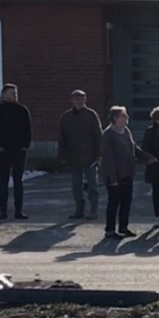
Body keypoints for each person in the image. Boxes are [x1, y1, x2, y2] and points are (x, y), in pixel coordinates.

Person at [99, 105, 151, 239]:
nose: (126, 118)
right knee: (114, 202)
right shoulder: (109, 134)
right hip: (115, 175)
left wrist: (148, 158)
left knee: (126, 202)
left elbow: (133, 147)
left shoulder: (126, 131)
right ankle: (110, 229)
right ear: (115, 118)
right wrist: (113, 178)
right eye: (123, 115)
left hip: (127, 173)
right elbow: (108, 158)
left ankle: (123, 227)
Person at [0, 83, 32, 220]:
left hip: (19, 150)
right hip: (3, 150)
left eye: (16, 93)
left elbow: (28, 129)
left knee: (18, 181)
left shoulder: (22, 110)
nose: (15, 96)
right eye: (12, 93)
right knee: (4, 181)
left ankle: (19, 211)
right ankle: (3, 212)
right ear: (4, 95)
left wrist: (25, 146)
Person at [58, 89, 103, 221]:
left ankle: (93, 209)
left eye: (82, 98)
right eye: (77, 98)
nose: (79, 101)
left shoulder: (91, 115)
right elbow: (62, 137)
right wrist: (62, 155)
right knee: (76, 185)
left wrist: (100, 153)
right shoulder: (66, 117)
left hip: (90, 155)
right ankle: (79, 209)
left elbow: (98, 135)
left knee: (92, 184)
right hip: (74, 155)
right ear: (72, 100)